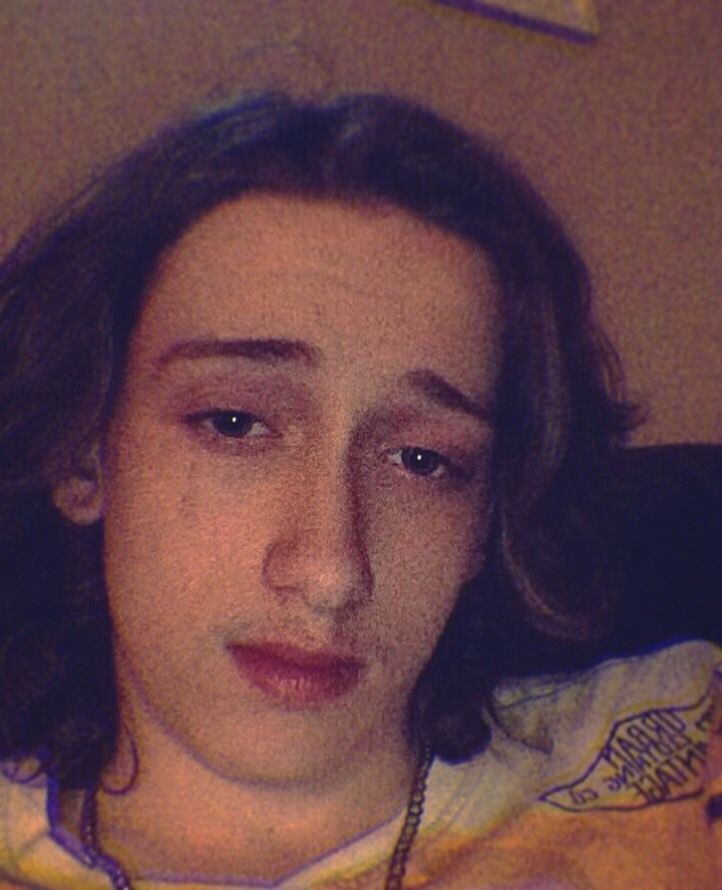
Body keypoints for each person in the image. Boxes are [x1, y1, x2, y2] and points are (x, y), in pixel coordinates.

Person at [0, 91, 719, 889]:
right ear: (84, 454)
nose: (329, 570)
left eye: (421, 460)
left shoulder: (687, 759)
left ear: (487, 520)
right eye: (235, 423)